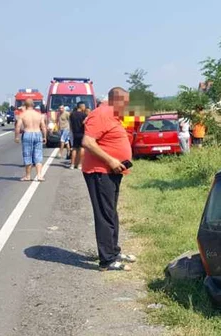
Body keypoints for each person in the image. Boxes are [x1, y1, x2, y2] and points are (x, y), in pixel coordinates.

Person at [81, 87, 135, 272]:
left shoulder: (113, 115)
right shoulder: (101, 114)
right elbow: (88, 142)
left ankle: (113, 251)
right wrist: (111, 160)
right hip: (100, 171)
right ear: (116, 100)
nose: (127, 106)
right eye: (125, 102)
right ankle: (107, 260)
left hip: (111, 172)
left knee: (111, 212)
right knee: (104, 214)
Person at [14, 98, 47, 181]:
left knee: (27, 154)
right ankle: (39, 175)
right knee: (38, 154)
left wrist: (16, 137)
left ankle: (28, 176)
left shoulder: (23, 114)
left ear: (25, 105)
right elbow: (43, 126)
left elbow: (18, 126)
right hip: (37, 133)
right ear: (33, 105)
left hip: (27, 133)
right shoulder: (39, 114)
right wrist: (44, 137)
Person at [69, 101, 88, 170]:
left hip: (75, 133)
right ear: (81, 106)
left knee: (74, 149)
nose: (85, 108)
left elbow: (70, 124)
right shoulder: (84, 115)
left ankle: (72, 164)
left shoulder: (72, 114)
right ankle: (80, 164)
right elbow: (85, 123)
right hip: (82, 133)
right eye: (84, 106)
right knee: (81, 149)